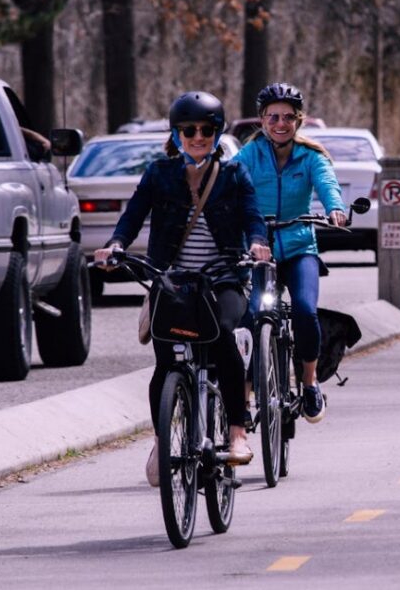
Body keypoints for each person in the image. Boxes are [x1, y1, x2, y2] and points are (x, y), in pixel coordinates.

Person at [94, 91, 271, 486]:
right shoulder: (159, 174)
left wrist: (258, 243)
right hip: (172, 281)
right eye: (188, 130)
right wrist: (117, 246)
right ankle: (162, 439)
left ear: (217, 133)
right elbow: (133, 216)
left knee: (223, 335)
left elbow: (252, 216)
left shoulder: (233, 175)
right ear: (176, 134)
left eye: (206, 130)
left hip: (222, 276)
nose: (197, 137)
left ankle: (237, 433)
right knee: (167, 363)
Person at [233, 82, 346, 424]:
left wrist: (335, 209)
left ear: (299, 120)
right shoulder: (248, 156)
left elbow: (328, 185)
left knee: (304, 312)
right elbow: (229, 185)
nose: (280, 124)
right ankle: (246, 396)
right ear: (262, 120)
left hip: (299, 248)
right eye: (272, 117)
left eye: (287, 117)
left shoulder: (311, 156)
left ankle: (309, 384)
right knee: (251, 316)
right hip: (258, 250)